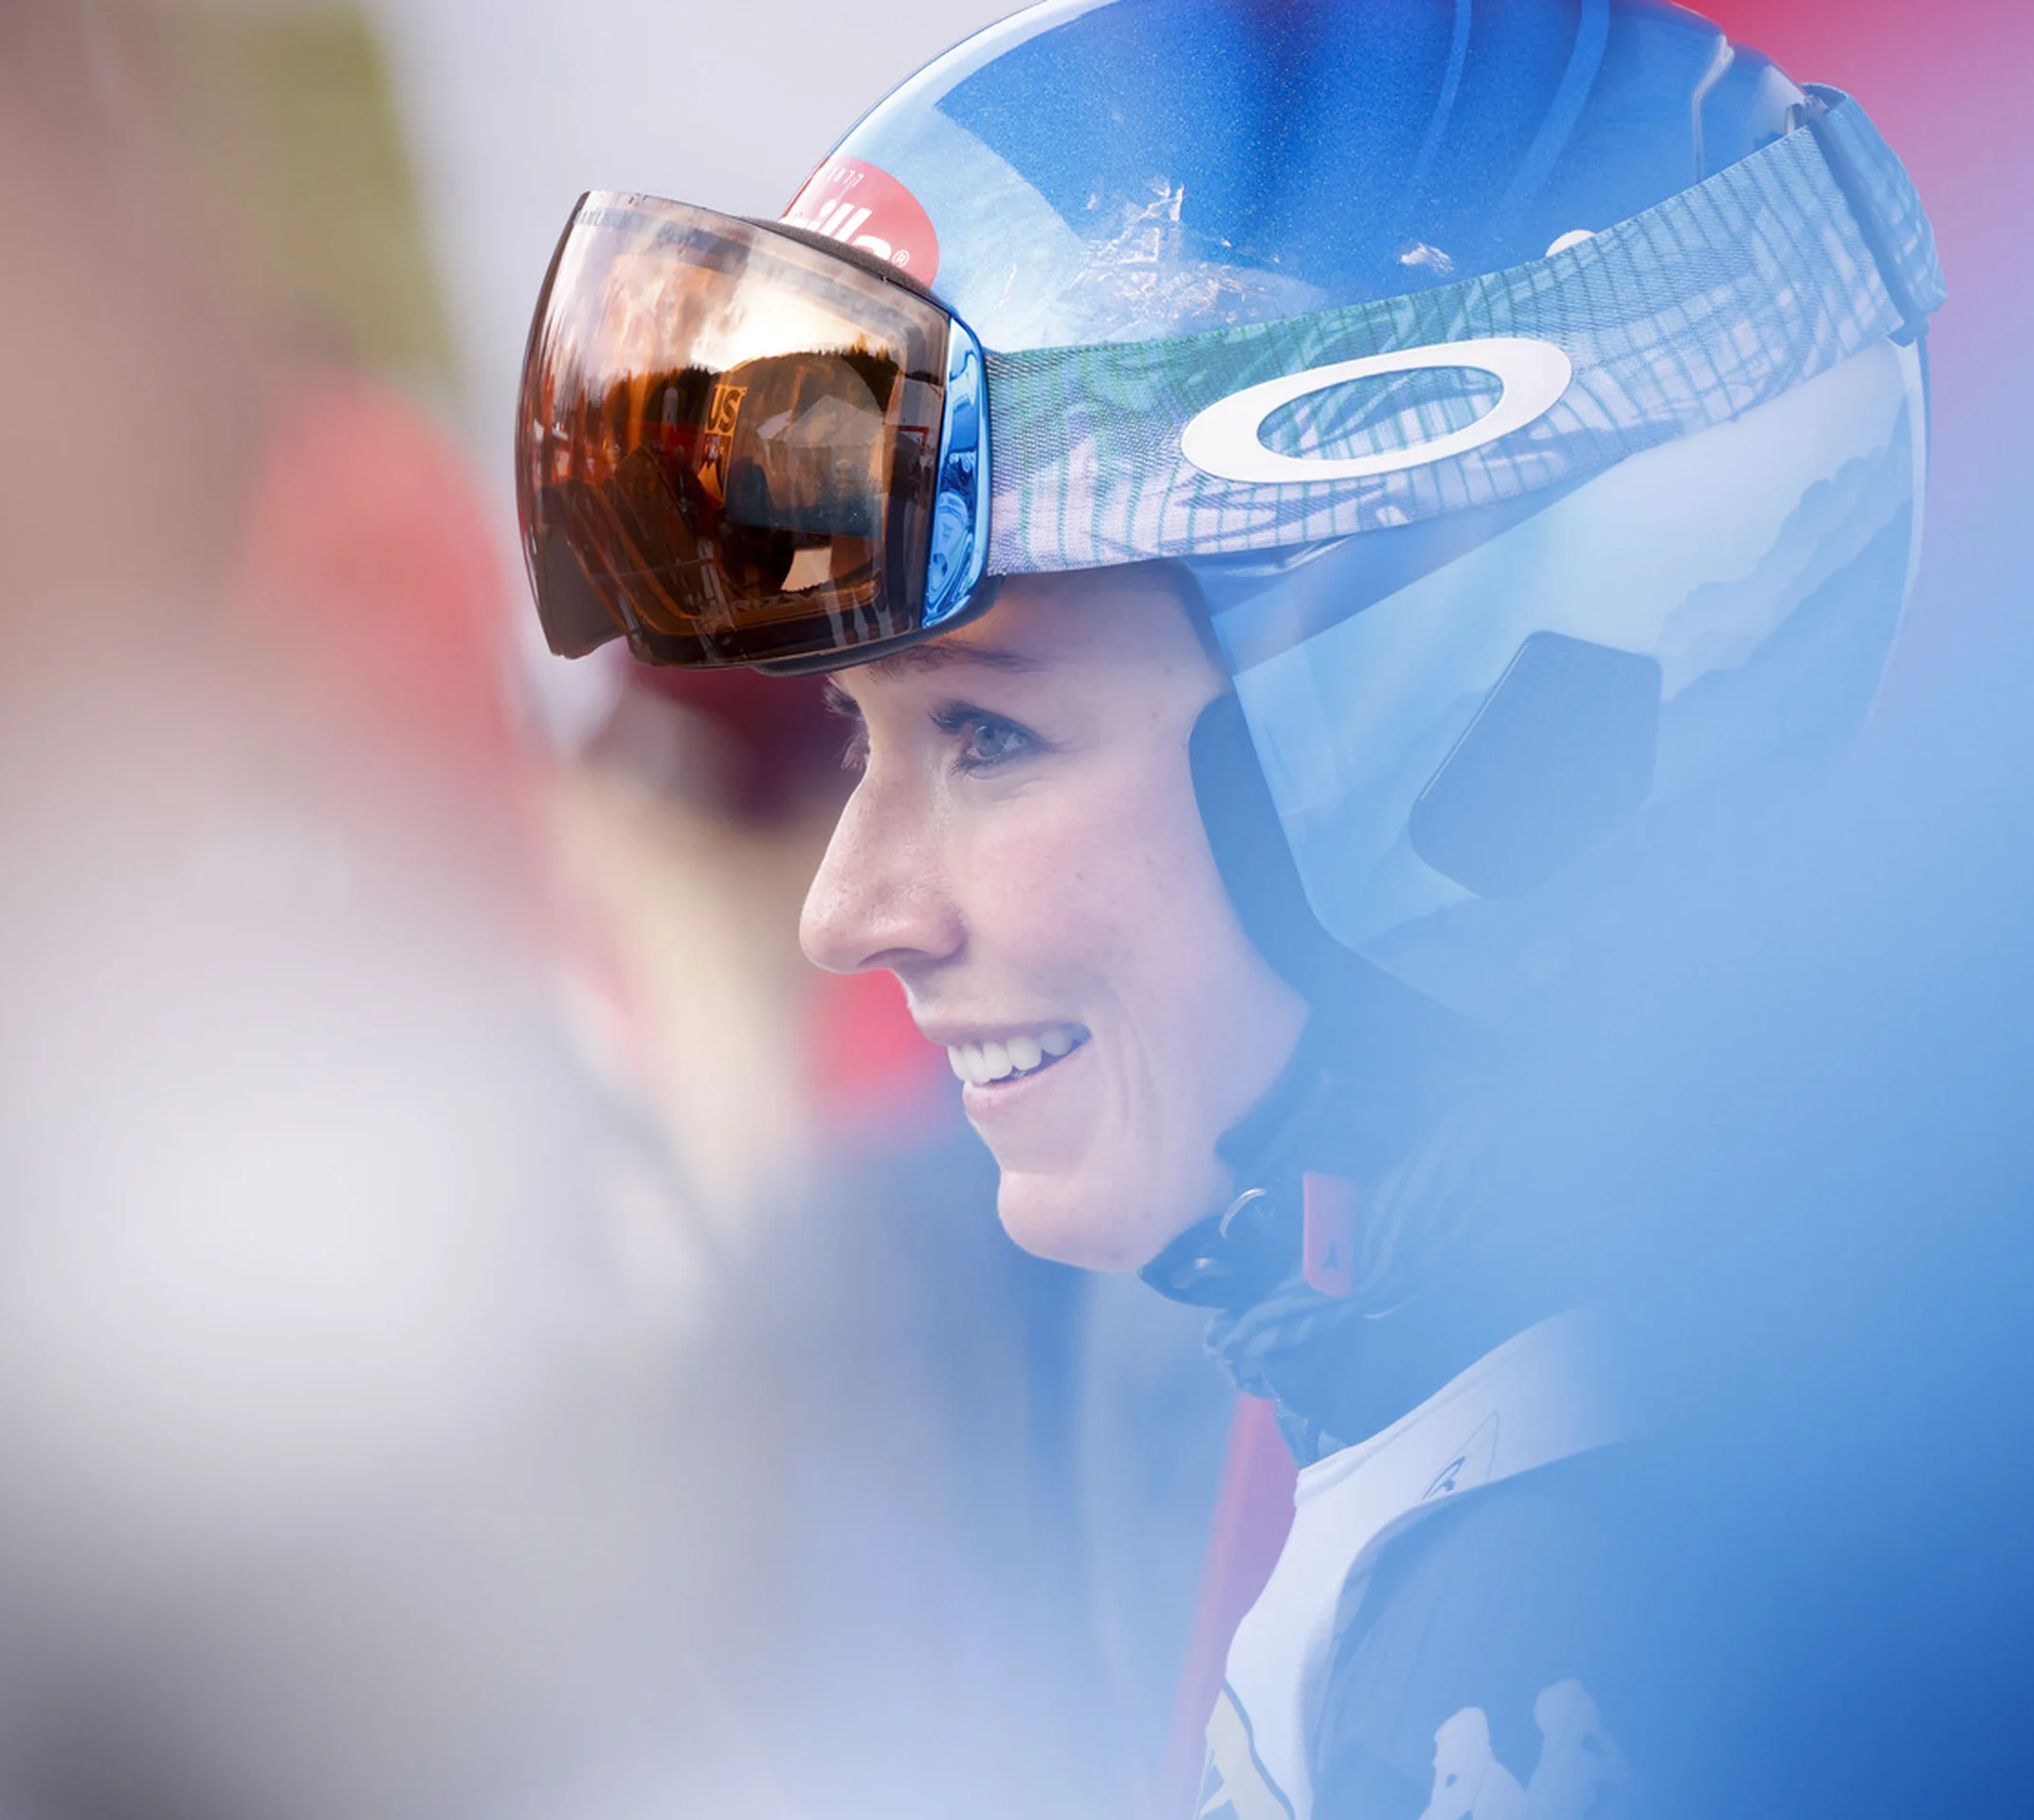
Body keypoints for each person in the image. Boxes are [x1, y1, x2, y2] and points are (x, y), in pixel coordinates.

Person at [513, 1, 1942, 1813]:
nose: (848, 913)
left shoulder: (1569, 1617)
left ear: (1468, 717)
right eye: (857, 735)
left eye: (992, 733)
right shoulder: (1327, 1379)